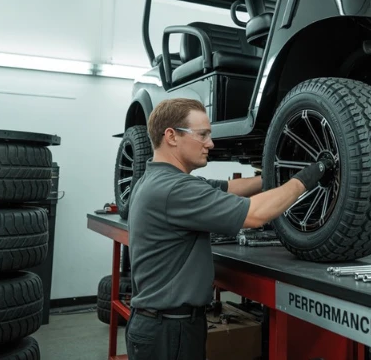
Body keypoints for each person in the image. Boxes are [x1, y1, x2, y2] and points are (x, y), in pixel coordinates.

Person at [125, 98, 332, 360]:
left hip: (161, 324)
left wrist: (275, 175)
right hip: (169, 331)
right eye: (203, 135)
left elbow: (228, 188)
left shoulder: (154, 180)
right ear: (171, 136)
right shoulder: (175, 190)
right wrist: (312, 174)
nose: (210, 143)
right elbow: (256, 214)